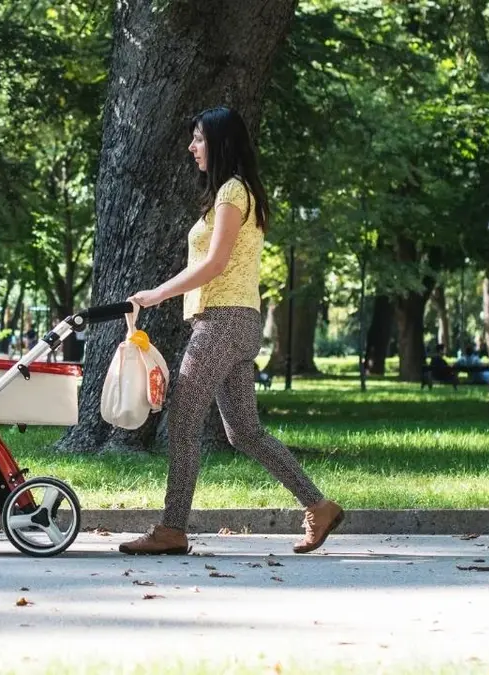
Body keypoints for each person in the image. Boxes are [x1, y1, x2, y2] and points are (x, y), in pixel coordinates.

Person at [118, 106, 343, 556]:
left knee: (183, 422)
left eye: (199, 138)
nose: (192, 147)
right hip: (237, 321)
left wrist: (157, 293)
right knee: (244, 432)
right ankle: (318, 505)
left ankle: (171, 528)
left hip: (222, 322)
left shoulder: (231, 193)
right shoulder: (241, 192)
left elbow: (215, 263)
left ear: (219, 142)